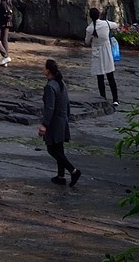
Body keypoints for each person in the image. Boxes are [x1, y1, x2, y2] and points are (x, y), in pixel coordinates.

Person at [38, 58, 80, 186]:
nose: (42, 69)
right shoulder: (61, 83)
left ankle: (73, 170)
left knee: (52, 149)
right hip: (62, 119)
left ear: (48, 71)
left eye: (44, 67)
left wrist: (45, 124)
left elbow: (50, 107)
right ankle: (60, 176)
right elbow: (67, 103)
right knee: (59, 148)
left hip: (54, 122)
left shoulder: (50, 86)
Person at [85, 6, 120, 107]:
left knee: (100, 78)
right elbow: (116, 25)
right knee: (110, 77)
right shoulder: (106, 24)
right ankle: (115, 99)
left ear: (90, 17)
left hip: (97, 53)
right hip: (107, 52)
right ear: (99, 15)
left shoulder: (90, 28)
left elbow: (87, 41)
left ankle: (103, 98)